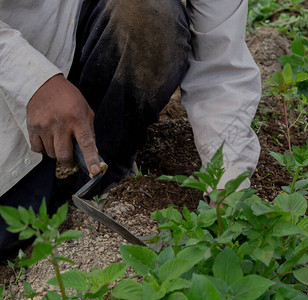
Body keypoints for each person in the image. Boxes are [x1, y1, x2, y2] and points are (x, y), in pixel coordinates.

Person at [0, 0, 261, 256]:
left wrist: (229, 179)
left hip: (96, 37)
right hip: (13, 65)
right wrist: (33, 81)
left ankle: (104, 178)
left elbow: (219, 64)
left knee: (149, 10)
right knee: (10, 233)